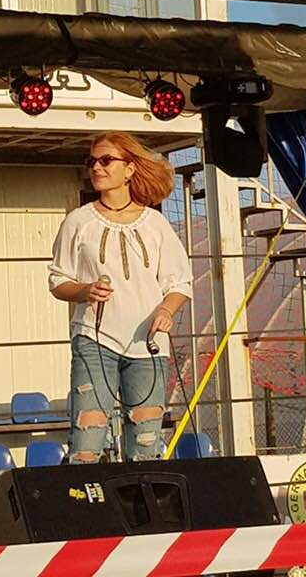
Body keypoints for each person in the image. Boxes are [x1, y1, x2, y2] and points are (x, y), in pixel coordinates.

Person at [48, 131, 192, 463]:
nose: (97, 168)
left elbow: (180, 283)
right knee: (87, 439)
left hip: (148, 344)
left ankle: (141, 496)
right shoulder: (78, 221)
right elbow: (58, 281)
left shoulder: (155, 223)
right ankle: (82, 495)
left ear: (129, 169)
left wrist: (166, 311)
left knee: (145, 444)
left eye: (106, 160)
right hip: (94, 340)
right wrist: (84, 290)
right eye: (92, 161)